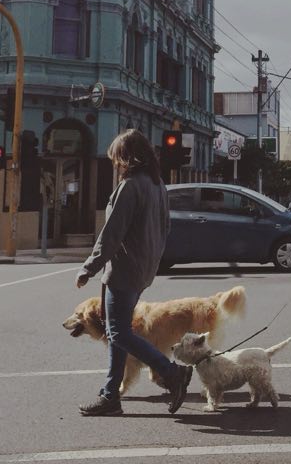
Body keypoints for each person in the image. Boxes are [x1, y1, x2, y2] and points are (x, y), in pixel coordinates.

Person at [75, 129, 193, 417]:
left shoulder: (131, 186)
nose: (115, 163)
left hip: (124, 270)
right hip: (142, 269)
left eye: (117, 157)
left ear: (128, 157)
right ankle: (110, 396)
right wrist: (151, 259)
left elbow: (112, 234)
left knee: (118, 332)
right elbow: (165, 228)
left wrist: (89, 267)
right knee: (118, 333)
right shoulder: (157, 185)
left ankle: (171, 372)